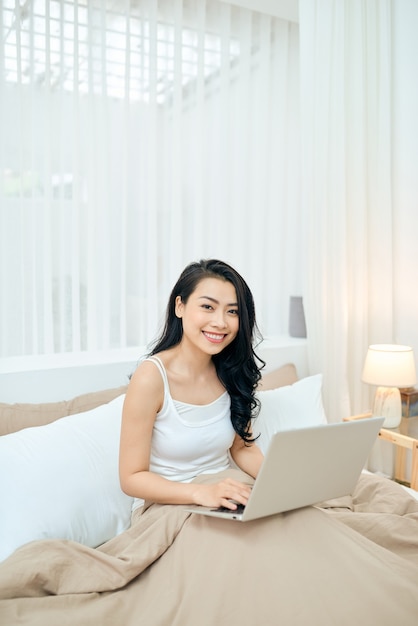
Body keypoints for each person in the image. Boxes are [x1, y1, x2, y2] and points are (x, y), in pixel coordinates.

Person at [119, 258, 265, 514]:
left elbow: (243, 448)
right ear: (180, 306)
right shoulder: (151, 377)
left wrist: (279, 482)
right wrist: (200, 492)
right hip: (170, 507)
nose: (220, 322)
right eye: (208, 307)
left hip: (225, 499)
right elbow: (131, 477)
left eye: (232, 311)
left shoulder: (232, 371)